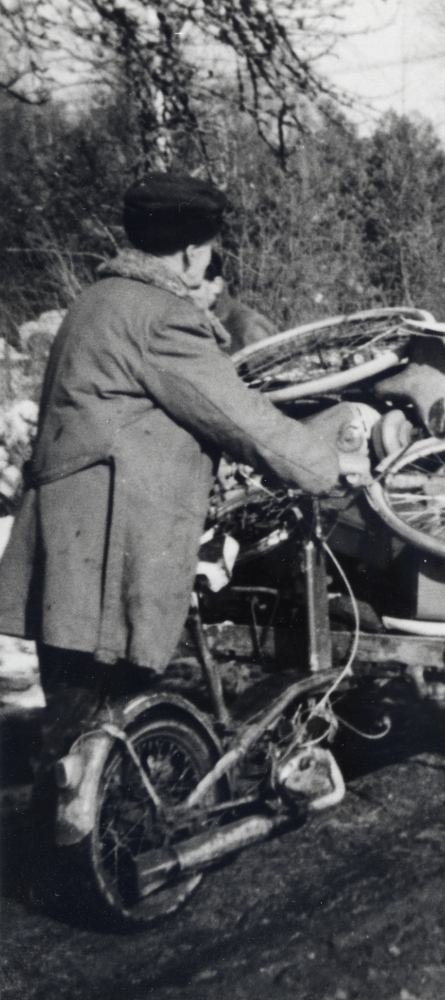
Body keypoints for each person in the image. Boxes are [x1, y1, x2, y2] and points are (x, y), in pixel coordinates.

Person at [0, 173, 369, 889]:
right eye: (211, 248)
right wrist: (328, 464)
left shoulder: (96, 301)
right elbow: (237, 415)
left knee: (73, 713)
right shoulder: (160, 319)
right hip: (110, 552)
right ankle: (97, 856)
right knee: (102, 709)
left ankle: (67, 857)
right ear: (195, 252)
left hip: (69, 549)